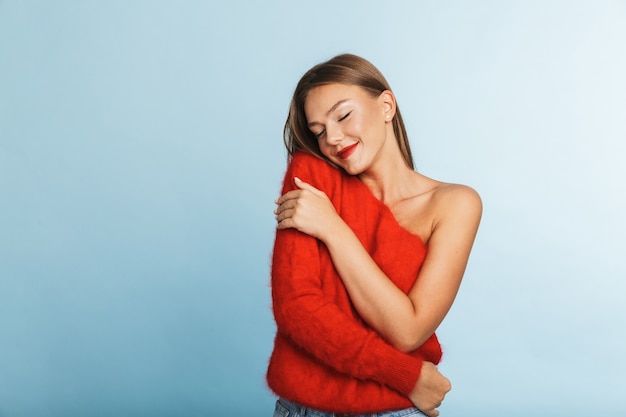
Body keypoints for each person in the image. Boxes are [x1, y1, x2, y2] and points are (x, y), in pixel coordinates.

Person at [266, 54, 482, 417]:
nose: (332, 137)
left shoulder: (455, 204)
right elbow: (296, 307)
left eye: (343, 115)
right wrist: (405, 374)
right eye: (318, 131)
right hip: (304, 407)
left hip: (392, 410)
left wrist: (333, 229)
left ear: (386, 105)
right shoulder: (312, 178)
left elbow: (408, 330)